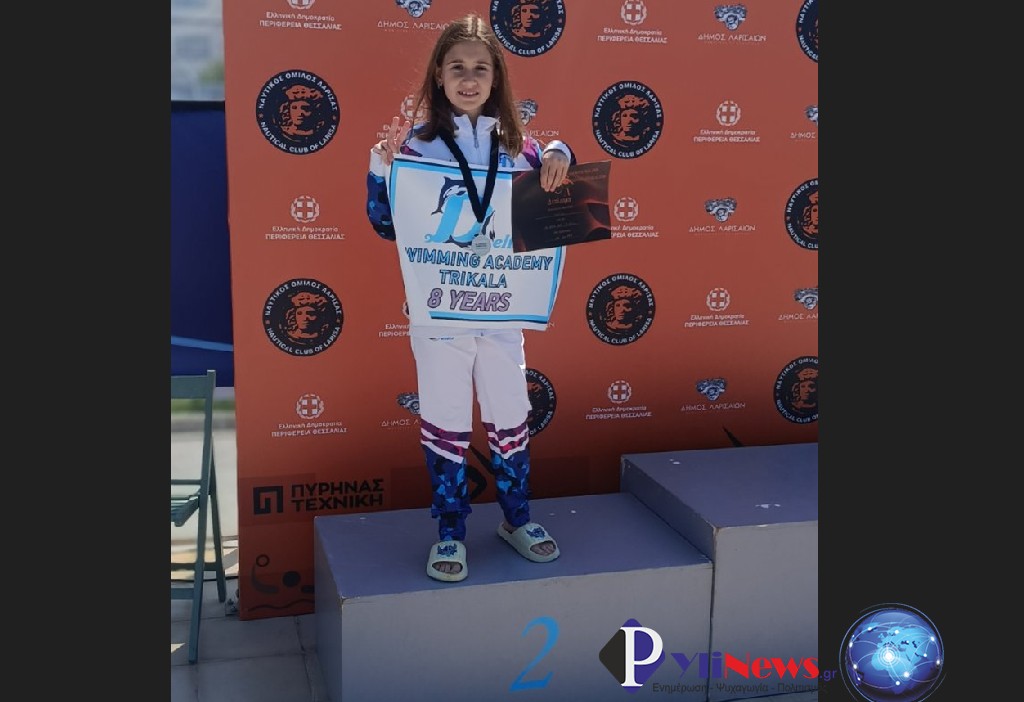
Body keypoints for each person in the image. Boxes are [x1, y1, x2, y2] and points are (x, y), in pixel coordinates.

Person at [365, 13, 573, 583]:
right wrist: (381, 168)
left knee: (510, 415)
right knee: (446, 420)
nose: (469, 78)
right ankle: (451, 532)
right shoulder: (415, 145)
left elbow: (560, 188)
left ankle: (517, 520)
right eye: (456, 66)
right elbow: (385, 224)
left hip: (502, 315)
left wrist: (562, 152)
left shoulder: (522, 150)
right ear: (438, 74)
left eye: (481, 68)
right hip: (439, 316)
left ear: (496, 77)